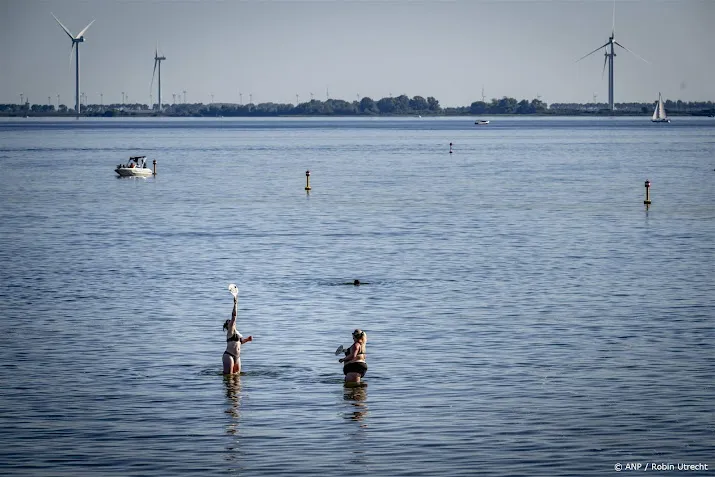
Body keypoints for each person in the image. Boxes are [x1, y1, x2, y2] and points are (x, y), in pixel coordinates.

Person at [223, 294, 252, 375]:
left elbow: (240, 342)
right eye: (229, 322)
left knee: (237, 378)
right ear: (228, 326)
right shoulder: (230, 331)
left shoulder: (237, 332)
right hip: (229, 355)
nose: (231, 322)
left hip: (237, 357)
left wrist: (247, 339)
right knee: (229, 377)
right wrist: (235, 303)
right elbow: (234, 316)